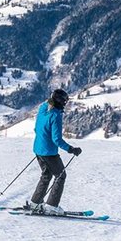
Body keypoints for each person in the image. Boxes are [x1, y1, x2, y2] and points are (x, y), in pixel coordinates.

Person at [26, 88, 81, 216]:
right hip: (49, 152)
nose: (65, 104)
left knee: (46, 176)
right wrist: (71, 149)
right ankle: (51, 206)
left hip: (38, 149)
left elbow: (36, 129)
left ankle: (36, 202)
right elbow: (56, 139)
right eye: (64, 102)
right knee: (61, 176)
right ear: (60, 102)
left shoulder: (43, 108)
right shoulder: (55, 115)